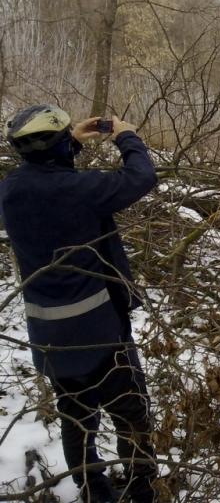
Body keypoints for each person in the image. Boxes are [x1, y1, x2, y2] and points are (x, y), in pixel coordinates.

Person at [0, 105, 160, 503]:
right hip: (101, 332)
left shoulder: (11, 190)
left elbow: (46, 175)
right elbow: (142, 176)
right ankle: (141, 491)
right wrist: (125, 134)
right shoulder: (81, 191)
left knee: (77, 420)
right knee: (131, 413)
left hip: (48, 336)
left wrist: (69, 140)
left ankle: (94, 492)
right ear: (54, 146)